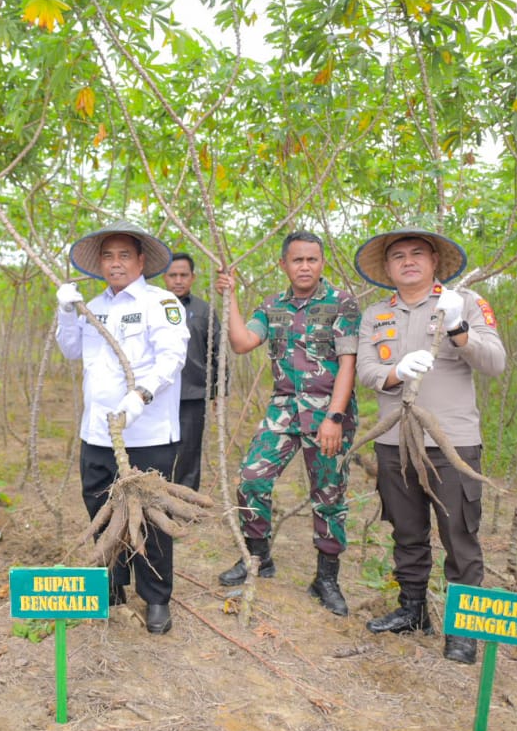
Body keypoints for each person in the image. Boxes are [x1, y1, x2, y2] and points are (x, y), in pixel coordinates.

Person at [354, 229, 506, 663]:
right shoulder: (375, 314)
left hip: (451, 441)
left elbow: (495, 363)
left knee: (459, 535)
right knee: (406, 531)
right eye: (397, 256)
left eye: (417, 254)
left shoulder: (465, 304)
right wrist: (395, 371)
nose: (408, 262)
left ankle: (464, 629)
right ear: (387, 269)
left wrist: (458, 329)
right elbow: (367, 368)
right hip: (394, 437)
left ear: (434, 260)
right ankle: (412, 609)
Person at [214, 231, 359, 615]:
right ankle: (258, 557)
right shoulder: (273, 306)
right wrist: (230, 299)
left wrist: (335, 417)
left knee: (329, 495)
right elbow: (243, 342)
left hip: (329, 412)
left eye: (312, 259)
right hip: (283, 410)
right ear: (284, 265)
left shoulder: (341, 303)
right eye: (297, 260)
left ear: (322, 262)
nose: (305, 266)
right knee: (251, 478)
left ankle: (326, 578)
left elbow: (348, 363)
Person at [55, 221, 188, 634]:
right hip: (97, 433)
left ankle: (156, 598)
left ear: (141, 261)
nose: (115, 263)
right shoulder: (93, 305)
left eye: (124, 255)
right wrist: (64, 311)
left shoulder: (161, 302)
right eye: (108, 256)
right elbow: (71, 350)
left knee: (149, 516)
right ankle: (111, 589)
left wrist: (141, 395)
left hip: (146, 433)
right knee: (100, 510)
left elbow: (172, 357)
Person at [163, 252, 223, 491]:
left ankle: (185, 499)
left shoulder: (204, 310)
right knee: (157, 446)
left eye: (183, 275)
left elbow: (218, 350)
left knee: (189, 449)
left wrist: (219, 391)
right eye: (173, 275)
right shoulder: (152, 306)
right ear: (164, 277)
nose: (178, 280)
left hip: (193, 392)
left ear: (193, 277)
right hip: (156, 393)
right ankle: (157, 497)